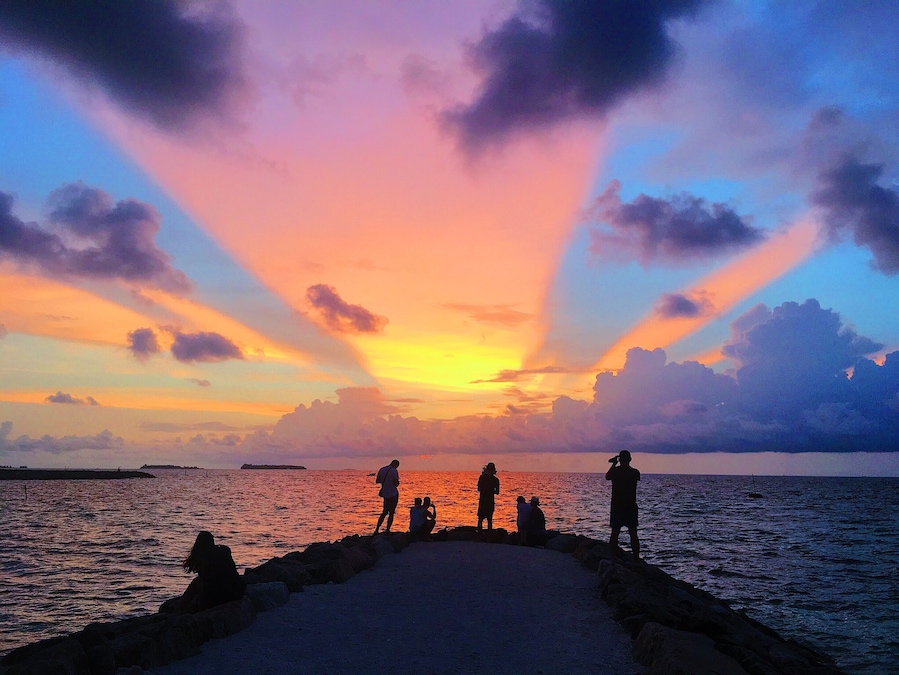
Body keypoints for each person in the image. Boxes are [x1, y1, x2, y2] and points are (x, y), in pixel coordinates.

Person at [180, 531, 246, 612]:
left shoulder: (204, 559)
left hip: (219, 596)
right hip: (237, 592)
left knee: (197, 582)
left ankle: (179, 609)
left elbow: (207, 579)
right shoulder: (224, 551)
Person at [605, 450, 640, 559]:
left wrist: (614, 463)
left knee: (615, 533)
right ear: (630, 459)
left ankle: (612, 557)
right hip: (630, 506)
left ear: (620, 459)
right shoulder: (635, 472)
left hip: (617, 506)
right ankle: (636, 558)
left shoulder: (615, 471)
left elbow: (607, 476)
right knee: (633, 534)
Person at [374, 459, 400, 534]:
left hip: (385, 494)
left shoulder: (382, 469)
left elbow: (377, 481)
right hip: (393, 494)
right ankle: (388, 530)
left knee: (384, 512)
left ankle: (377, 529)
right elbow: (396, 483)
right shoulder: (394, 471)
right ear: (396, 465)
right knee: (391, 513)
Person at [476, 462, 500, 532]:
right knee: (489, 520)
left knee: (480, 519)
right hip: (490, 501)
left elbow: (479, 489)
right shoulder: (495, 480)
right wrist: (491, 491)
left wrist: (485, 490)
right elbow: (497, 492)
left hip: (483, 500)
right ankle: (489, 536)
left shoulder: (482, 477)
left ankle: (479, 536)